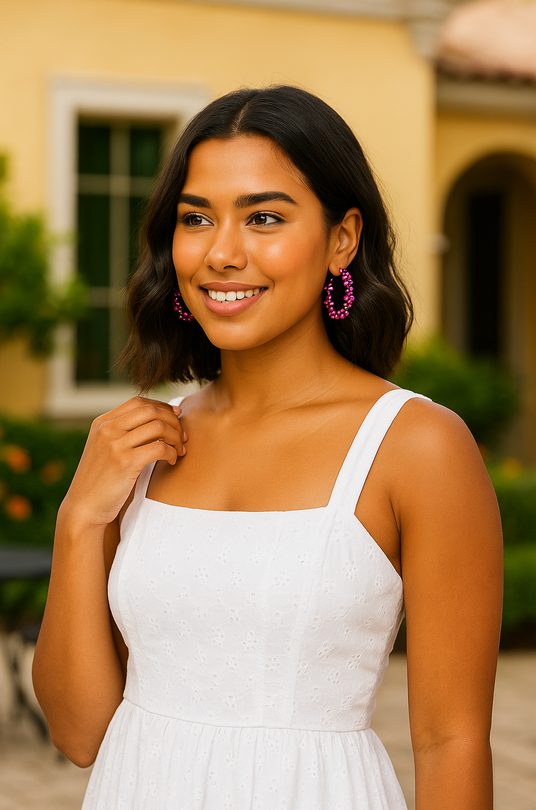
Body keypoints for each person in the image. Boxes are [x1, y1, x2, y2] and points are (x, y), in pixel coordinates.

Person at [32, 86, 503, 810]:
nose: (223, 253)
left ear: (342, 239)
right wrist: (79, 521)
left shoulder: (417, 445)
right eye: (197, 219)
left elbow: (452, 742)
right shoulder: (143, 444)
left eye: (264, 218)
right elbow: (79, 733)